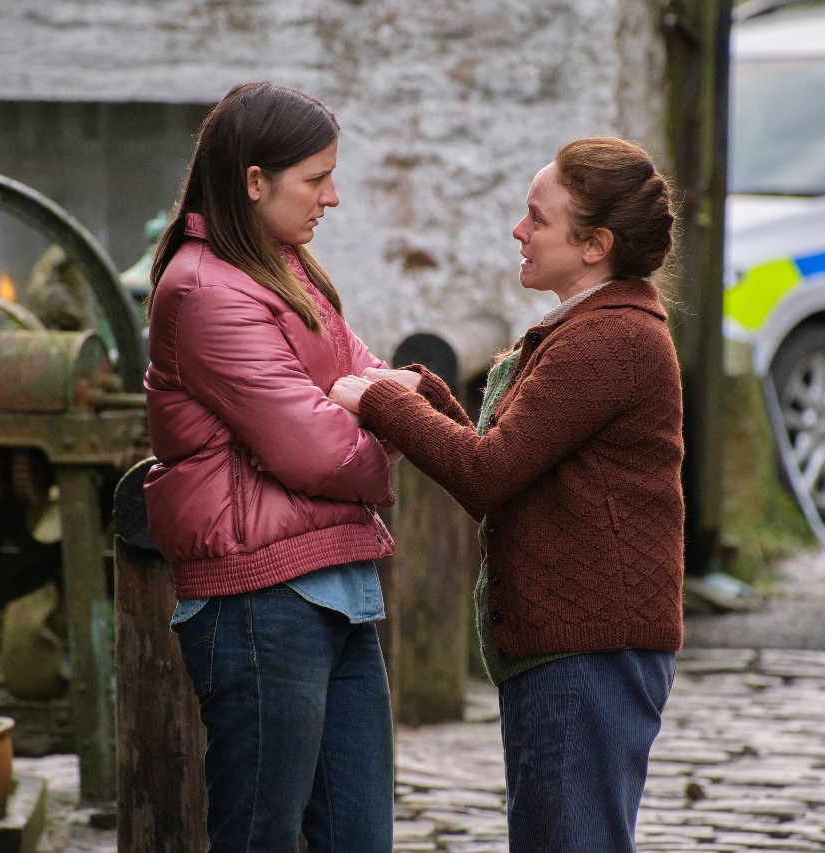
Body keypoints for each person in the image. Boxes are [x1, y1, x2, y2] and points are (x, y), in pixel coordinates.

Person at [329, 136, 684, 852]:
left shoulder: (608, 340)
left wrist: (380, 405)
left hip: (587, 652)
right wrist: (426, 392)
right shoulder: (592, 328)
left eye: (537, 218)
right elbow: (513, 469)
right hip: (577, 647)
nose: (518, 232)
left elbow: (488, 472)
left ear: (595, 245)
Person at [143, 81, 398, 852]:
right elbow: (315, 448)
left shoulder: (285, 269)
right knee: (260, 836)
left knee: (360, 837)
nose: (334, 196)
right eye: (316, 178)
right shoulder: (203, 289)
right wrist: (387, 433)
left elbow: (375, 377)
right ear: (254, 182)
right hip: (260, 599)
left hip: (335, 583)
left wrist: (373, 405)